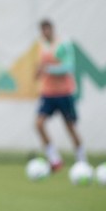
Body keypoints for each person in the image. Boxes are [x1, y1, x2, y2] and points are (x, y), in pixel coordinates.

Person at [34, 19, 87, 171]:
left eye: (47, 29)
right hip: (48, 94)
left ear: (52, 29)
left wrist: (48, 69)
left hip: (64, 93)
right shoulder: (42, 46)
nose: (45, 32)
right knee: (39, 124)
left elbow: (69, 67)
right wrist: (38, 72)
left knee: (70, 127)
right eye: (42, 30)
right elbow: (41, 68)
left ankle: (82, 161)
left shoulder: (63, 44)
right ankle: (54, 159)